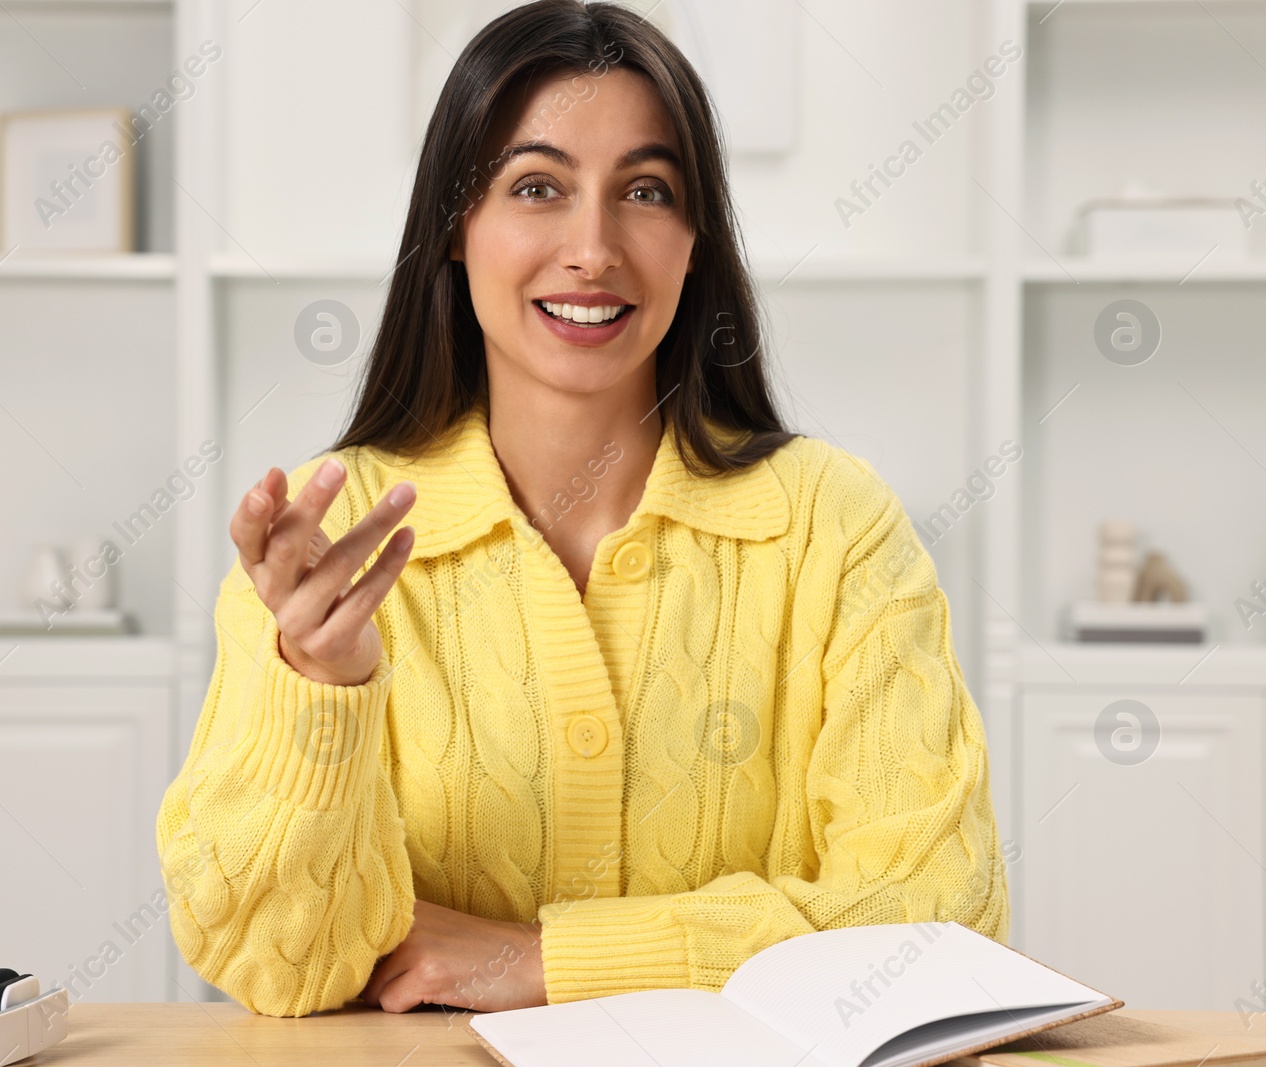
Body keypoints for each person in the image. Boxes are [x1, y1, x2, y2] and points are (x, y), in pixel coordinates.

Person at [154, 0, 1008, 1019]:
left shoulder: (835, 524)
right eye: (537, 186)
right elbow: (276, 966)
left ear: (695, 242)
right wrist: (321, 689)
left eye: (644, 190)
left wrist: (543, 958)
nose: (593, 248)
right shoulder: (330, 548)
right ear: (455, 231)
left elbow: (935, 919)